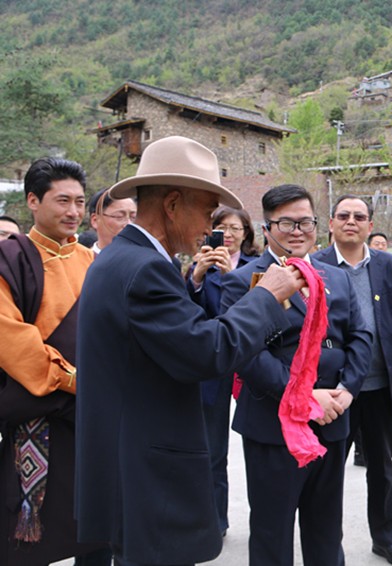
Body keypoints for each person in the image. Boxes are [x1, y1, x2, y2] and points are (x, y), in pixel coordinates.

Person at [75, 136, 306, 566]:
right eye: (206, 211)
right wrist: (266, 296)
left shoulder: (122, 259)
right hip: (147, 476)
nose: (210, 227)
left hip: (128, 466)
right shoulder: (144, 268)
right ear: (172, 203)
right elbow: (206, 351)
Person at [220, 184, 371, 566]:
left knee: (326, 530)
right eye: (286, 223)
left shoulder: (335, 277)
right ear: (266, 228)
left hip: (332, 419)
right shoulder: (243, 280)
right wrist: (303, 396)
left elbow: (360, 335)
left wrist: (347, 389)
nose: (298, 231)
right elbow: (246, 354)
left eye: (306, 222)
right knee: (272, 531)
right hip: (273, 426)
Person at [0, 158, 109, 566]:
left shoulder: (93, 262)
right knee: (29, 537)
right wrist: (75, 379)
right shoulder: (11, 258)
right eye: (63, 201)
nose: (74, 211)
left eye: (80, 202)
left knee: (98, 531)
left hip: (91, 416)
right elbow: (11, 339)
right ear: (33, 200)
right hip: (39, 412)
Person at [313, 196, 392, 566]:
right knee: (327, 474)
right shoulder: (316, 264)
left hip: (379, 386)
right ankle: (327, 546)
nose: (351, 221)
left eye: (359, 216)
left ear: (370, 225)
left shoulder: (388, 265)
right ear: (331, 223)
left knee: (381, 467)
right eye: (343, 215)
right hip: (333, 392)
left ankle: (386, 538)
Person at [186, 205, 259, 538]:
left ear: (246, 233)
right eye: (221, 228)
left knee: (258, 442)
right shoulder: (199, 266)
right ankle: (216, 519)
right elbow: (189, 315)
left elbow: (259, 311)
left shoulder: (257, 267)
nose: (227, 235)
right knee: (212, 449)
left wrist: (232, 277)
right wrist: (196, 278)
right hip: (214, 365)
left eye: (235, 228)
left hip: (251, 363)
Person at [88, 188, 137, 253]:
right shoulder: (84, 258)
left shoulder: (146, 258)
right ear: (95, 220)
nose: (129, 224)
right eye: (119, 216)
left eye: (133, 217)